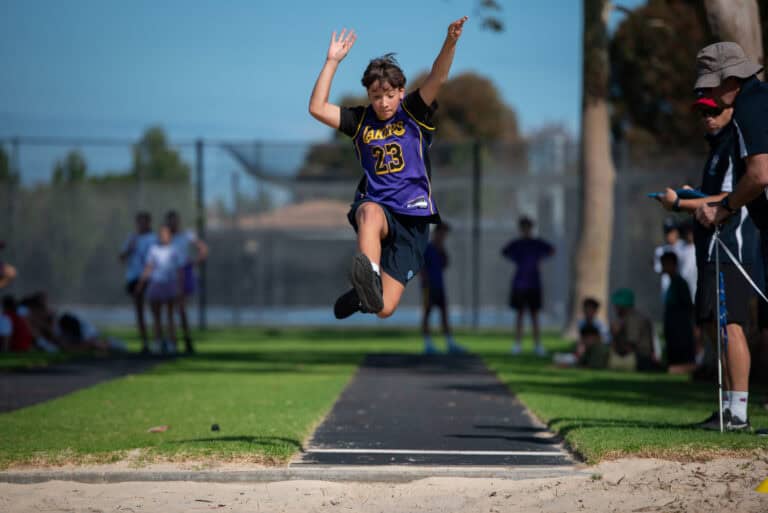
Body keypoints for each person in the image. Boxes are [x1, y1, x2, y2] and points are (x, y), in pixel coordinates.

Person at [308, 17, 469, 320]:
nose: (383, 103)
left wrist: (450, 41)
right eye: (376, 97)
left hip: (413, 218)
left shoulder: (413, 112)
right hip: (379, 208)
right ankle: (367, 277)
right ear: (369, 96)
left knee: (384, 308)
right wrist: (331, 62)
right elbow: (317, 108)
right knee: (369, 211)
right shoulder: (360, 121)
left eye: (389, 95)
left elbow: (439, 76)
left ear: (401, 91)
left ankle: (364, 295)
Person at [658, 91, 758, 430]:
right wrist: (693, 196)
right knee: (713, 326)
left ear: (731, 109)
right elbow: (713, 198)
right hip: (710, 249)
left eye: (714, 111)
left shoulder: (737, 142)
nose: (708, 118)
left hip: (732, 248)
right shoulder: (717, 148)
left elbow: (736, 195)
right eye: (703, 112)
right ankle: (728, 409)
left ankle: (739, 413)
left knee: (731, 326)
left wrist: (678, 204)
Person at [501, 216, 555, 356]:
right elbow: (504, 251)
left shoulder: (537, 243)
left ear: (531, 228)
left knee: (534, 315)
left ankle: (537, 345)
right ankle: (517, 344)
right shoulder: (517, 244)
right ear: (521, 229)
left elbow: (551, 250)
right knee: (519, 315)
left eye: (528, 227)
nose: (526, 230)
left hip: (534, 284)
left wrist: (541, 258)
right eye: (523, 227)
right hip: (519, 284)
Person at [136, 225, 184, 355]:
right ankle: (157, 342)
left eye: (165, 234)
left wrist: (180, 287)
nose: (163, 236)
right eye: (161, 234)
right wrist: (141, 283)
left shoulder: (175, 250)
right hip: (156, 284)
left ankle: (172, 343)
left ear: (170, 235)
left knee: (170, 316)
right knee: (156, 316)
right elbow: (149, 267)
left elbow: (180, 270)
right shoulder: (154, 249)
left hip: (170, 284)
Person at [166, 210, 207, 354]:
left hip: (182, 273)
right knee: (169, 309)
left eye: (175, 220)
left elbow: (202, 248)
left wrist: (195, 262)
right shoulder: (166, 238)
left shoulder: (186, 236)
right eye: (170, 221)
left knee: (181, 308)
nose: (173, 224)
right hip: (167, 274)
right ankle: (172, 342)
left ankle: (186, 339)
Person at [420, 222, 464, 354]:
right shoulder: (427, 248)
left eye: (445, 234)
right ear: (436, 233)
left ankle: (450, 342)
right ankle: (427, 344)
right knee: (427, 314)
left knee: (444, 313)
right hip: (429, 287)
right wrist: (426, 282)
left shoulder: (440, 249)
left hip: (440, 286)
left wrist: (442, 249)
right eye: (442, 233)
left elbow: (445, 264)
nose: (444, 236)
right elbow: (420, 267)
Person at [119, 211, 157, 354]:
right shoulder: (131, 238)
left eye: (143, 222)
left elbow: (153, 261)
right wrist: (129, 248)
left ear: (149, 223)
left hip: (150, 278)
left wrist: (145, 278)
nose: (140, 225)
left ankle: (158, 340)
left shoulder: (153, 238)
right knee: (139, 310)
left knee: (155, 311)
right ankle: (144, 342)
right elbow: (121, 257)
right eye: (138, 222)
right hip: (133, 277)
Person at [660, 252, 696, 374]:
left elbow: (688, 306)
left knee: (682, 360)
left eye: (665, 264)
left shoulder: (680, 283)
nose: (663, 267)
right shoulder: (672, 283)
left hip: (680, 329)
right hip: (673, 328)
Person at [608, 288, 660, 372]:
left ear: (623, 306)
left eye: (617, 306)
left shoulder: (633, 319)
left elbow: (630, 345)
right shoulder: (629, 318)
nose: (615, 308)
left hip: (640, 358)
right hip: (639, 357)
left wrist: (615, 335)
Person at [553, 297, 610, 369]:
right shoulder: (581, 323)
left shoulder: (600, 324)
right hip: (584, 346)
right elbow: (582, 337)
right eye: (586, 308)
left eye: (590, 309)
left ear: (595, 311)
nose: (587, 311)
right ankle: (572, 362)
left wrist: (591, 342)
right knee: (575, 347)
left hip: (597, 347)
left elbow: (605, 340)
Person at [653, 218, 685, 301]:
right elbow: (659, 269)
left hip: (684, 288)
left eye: (672, 231)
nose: (669, 235)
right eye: (667, 232)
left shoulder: (685, 247)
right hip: (667, 290)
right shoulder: (660, 250)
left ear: (677, 232)